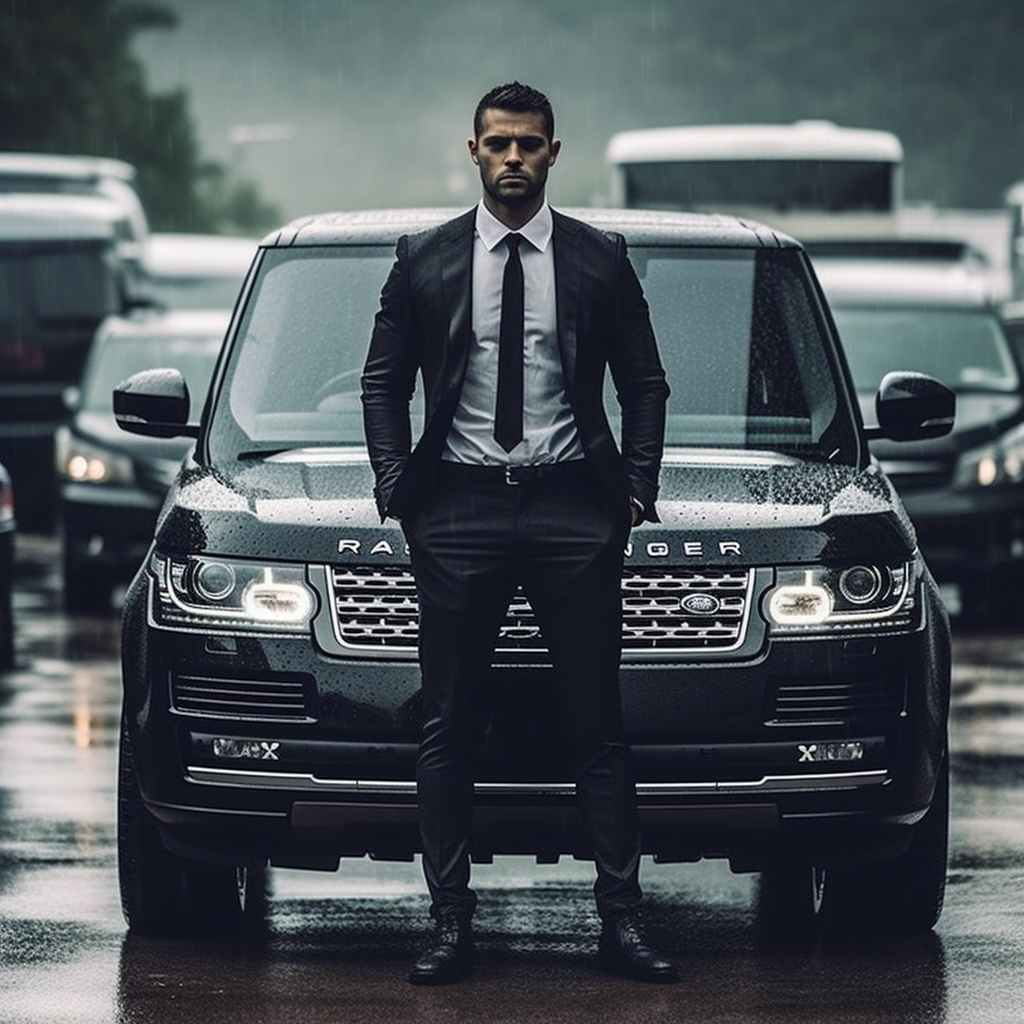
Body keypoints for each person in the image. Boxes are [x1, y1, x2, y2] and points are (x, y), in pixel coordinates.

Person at [361, 81, 674, 985]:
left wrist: (634, 494)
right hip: (456, 508)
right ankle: (450, 923)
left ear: (553, 153)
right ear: (473, 151)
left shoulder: (597, 259)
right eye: (497, 143)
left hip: (575, 507)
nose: (512, 159)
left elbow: (644, 384)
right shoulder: (422, 259)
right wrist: (395, 488)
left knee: (598, 725)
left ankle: (621, 923)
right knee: (450, 721)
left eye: (528, 145)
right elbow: (382, 382)